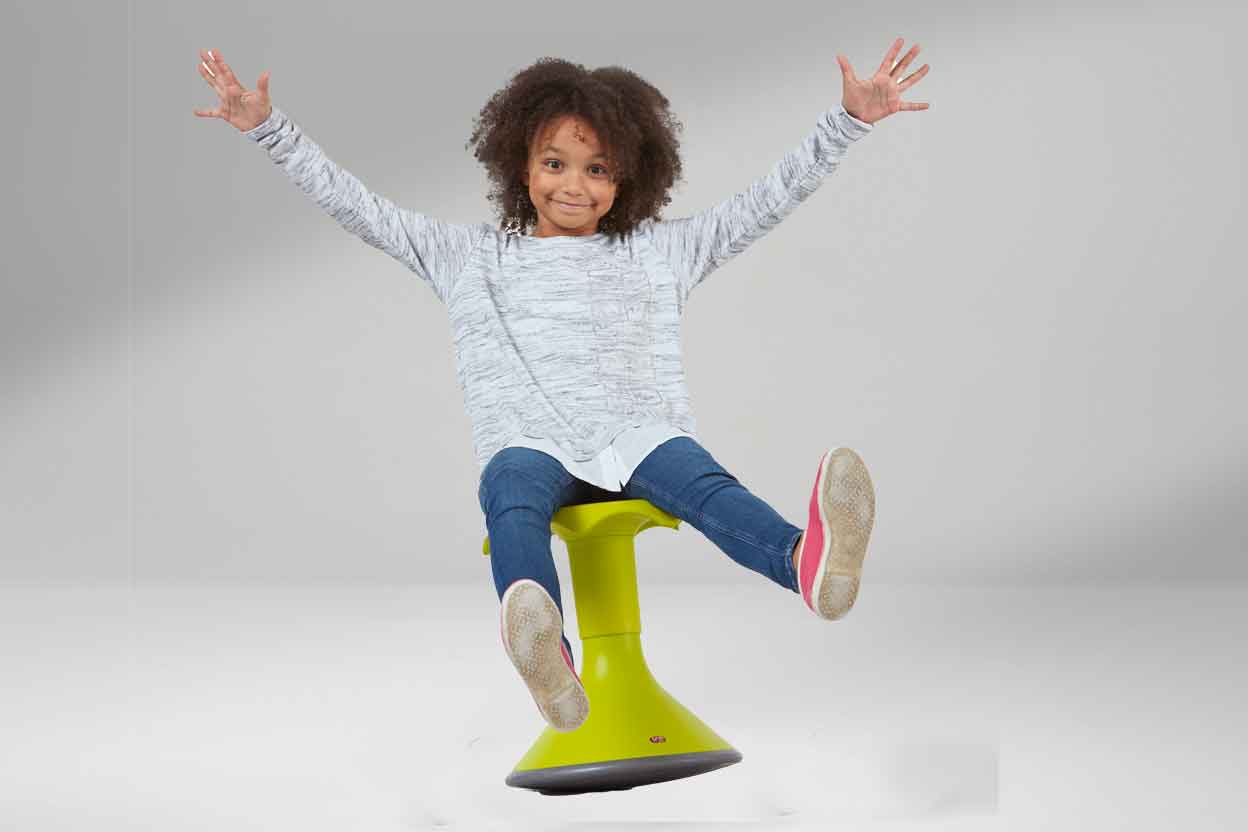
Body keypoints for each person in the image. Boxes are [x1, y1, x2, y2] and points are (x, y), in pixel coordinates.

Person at [194, 41, 931, 733]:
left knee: (705, 485)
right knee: (510, 497)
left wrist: (847, 122)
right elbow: (360, 208)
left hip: (638, 438)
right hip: (530, 443)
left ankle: (805, 564)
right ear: (521, 167)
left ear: (625, 181)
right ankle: (550, 659)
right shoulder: (468, 258)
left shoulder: (660, 252)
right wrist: (269, 130)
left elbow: (765, 201)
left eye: (597, 169)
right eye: (555, 163)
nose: (574, 184)